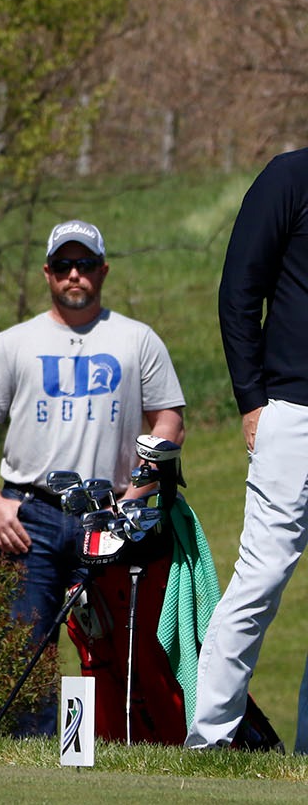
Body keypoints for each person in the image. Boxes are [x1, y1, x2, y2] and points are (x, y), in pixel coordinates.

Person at [0, 219, 185, 735]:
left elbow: (168, 417)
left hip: (110, 514)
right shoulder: (13, 343)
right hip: (28, 515)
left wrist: (142, 488)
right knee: (22, 645)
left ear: (103, 270)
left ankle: (112, 744)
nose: (74, 274)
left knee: (115, 643)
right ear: (47, 273)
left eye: (84, 264)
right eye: (63, 265)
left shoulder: (136, 339)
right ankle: (31, 757)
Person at [187, 149, 308, 753]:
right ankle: (208, 740)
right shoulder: (289, 178)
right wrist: (252, 400)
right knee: (260, 579)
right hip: (294, 413)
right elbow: (239, 291)